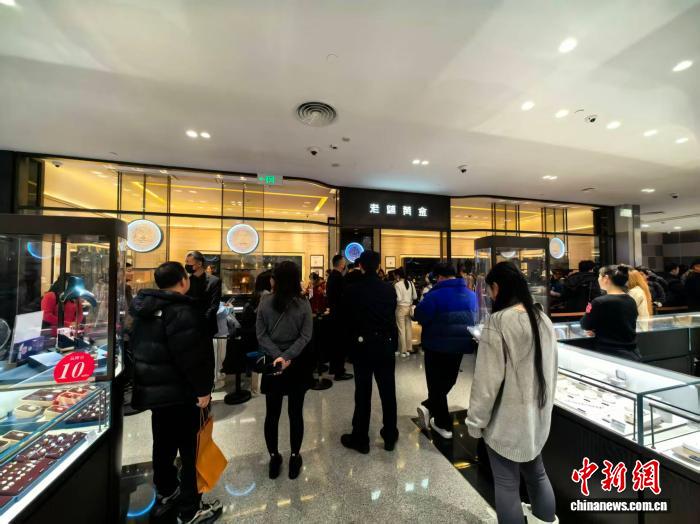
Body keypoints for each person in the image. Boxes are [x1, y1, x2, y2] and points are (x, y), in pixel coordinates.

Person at [466, 262, 558, 524]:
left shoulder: (498, 322)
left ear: (497, 287)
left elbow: (486, 383)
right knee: (537, 475)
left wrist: (475, 422)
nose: (489, 295)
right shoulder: (542, 318)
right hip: (537, 419)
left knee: (506, 483)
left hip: (506, 422)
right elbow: (552, 369)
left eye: (490, 289)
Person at [129, 262, 221, 523]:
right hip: (182, 394)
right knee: (191, 450)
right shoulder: (182, 311)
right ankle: (190, 509)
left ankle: (167, 490)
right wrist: (203, 390)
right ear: (183, 280)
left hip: (157, 395)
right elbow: (192, 357)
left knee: (163, 445)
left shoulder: (143, 309)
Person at [256, 261, 313, 480]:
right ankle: (295, 457)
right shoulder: (303, 303)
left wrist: (278, 357)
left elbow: (261, 335)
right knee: (295, 413)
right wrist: (288, 357)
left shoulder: (264, 302)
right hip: (297, 363)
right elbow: (306, 336)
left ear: (276, 280)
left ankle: (274, 457)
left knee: (272, 413)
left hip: (274, 363)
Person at [341, 250, 399, 454]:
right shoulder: (389, 289)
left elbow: (348, 321)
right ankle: (390, 435)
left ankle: (361, 438)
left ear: (361, 266)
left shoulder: (352, 289)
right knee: (388, 392)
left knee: (363, 393)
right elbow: (391, 318)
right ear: (378, 266)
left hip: (362, 346)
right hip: (385, 345)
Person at [414, 262, 477, 439]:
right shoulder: (471, 295)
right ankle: (430, 408)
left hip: (435, 345)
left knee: (435, 385)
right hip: (459, 346)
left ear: (440, 277)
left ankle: (443, 424)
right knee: (448, 380)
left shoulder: (434, 295)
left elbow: (420, 315)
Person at [580, 265, 640, 360]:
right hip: (632, 352)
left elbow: (585, 324)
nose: (598, 279)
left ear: (606, 278)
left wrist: (595, 329)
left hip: (609, 353)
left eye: (599, 276)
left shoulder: (599, 302)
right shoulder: (631, 300)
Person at [326, 254, 353, 381]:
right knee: (340, 345)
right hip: (340, 316)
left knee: (335, 344)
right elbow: (344, 297)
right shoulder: (338, 278)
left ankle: (335, 368)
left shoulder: (332, 276)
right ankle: (339, 372)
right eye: (344, 262)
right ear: (341, 264)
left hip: (334, 314)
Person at [185, 251, 222, 337]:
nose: (186, 265)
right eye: (186, 262)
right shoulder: (186, 281)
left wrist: (201, 321)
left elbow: (214, 306)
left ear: (199, 263)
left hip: (207, 326)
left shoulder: (214, 281)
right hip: (189, 325)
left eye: (188, 262)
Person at [393, 267, 417, 358]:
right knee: (408, 329)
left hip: (400, 308)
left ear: (398, 275)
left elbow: (399, 299)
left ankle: (402, 351)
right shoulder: (410, 283)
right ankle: (408, 349)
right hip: (409, 308)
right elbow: (415, 297)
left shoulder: (397, 284)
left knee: (401, 330)